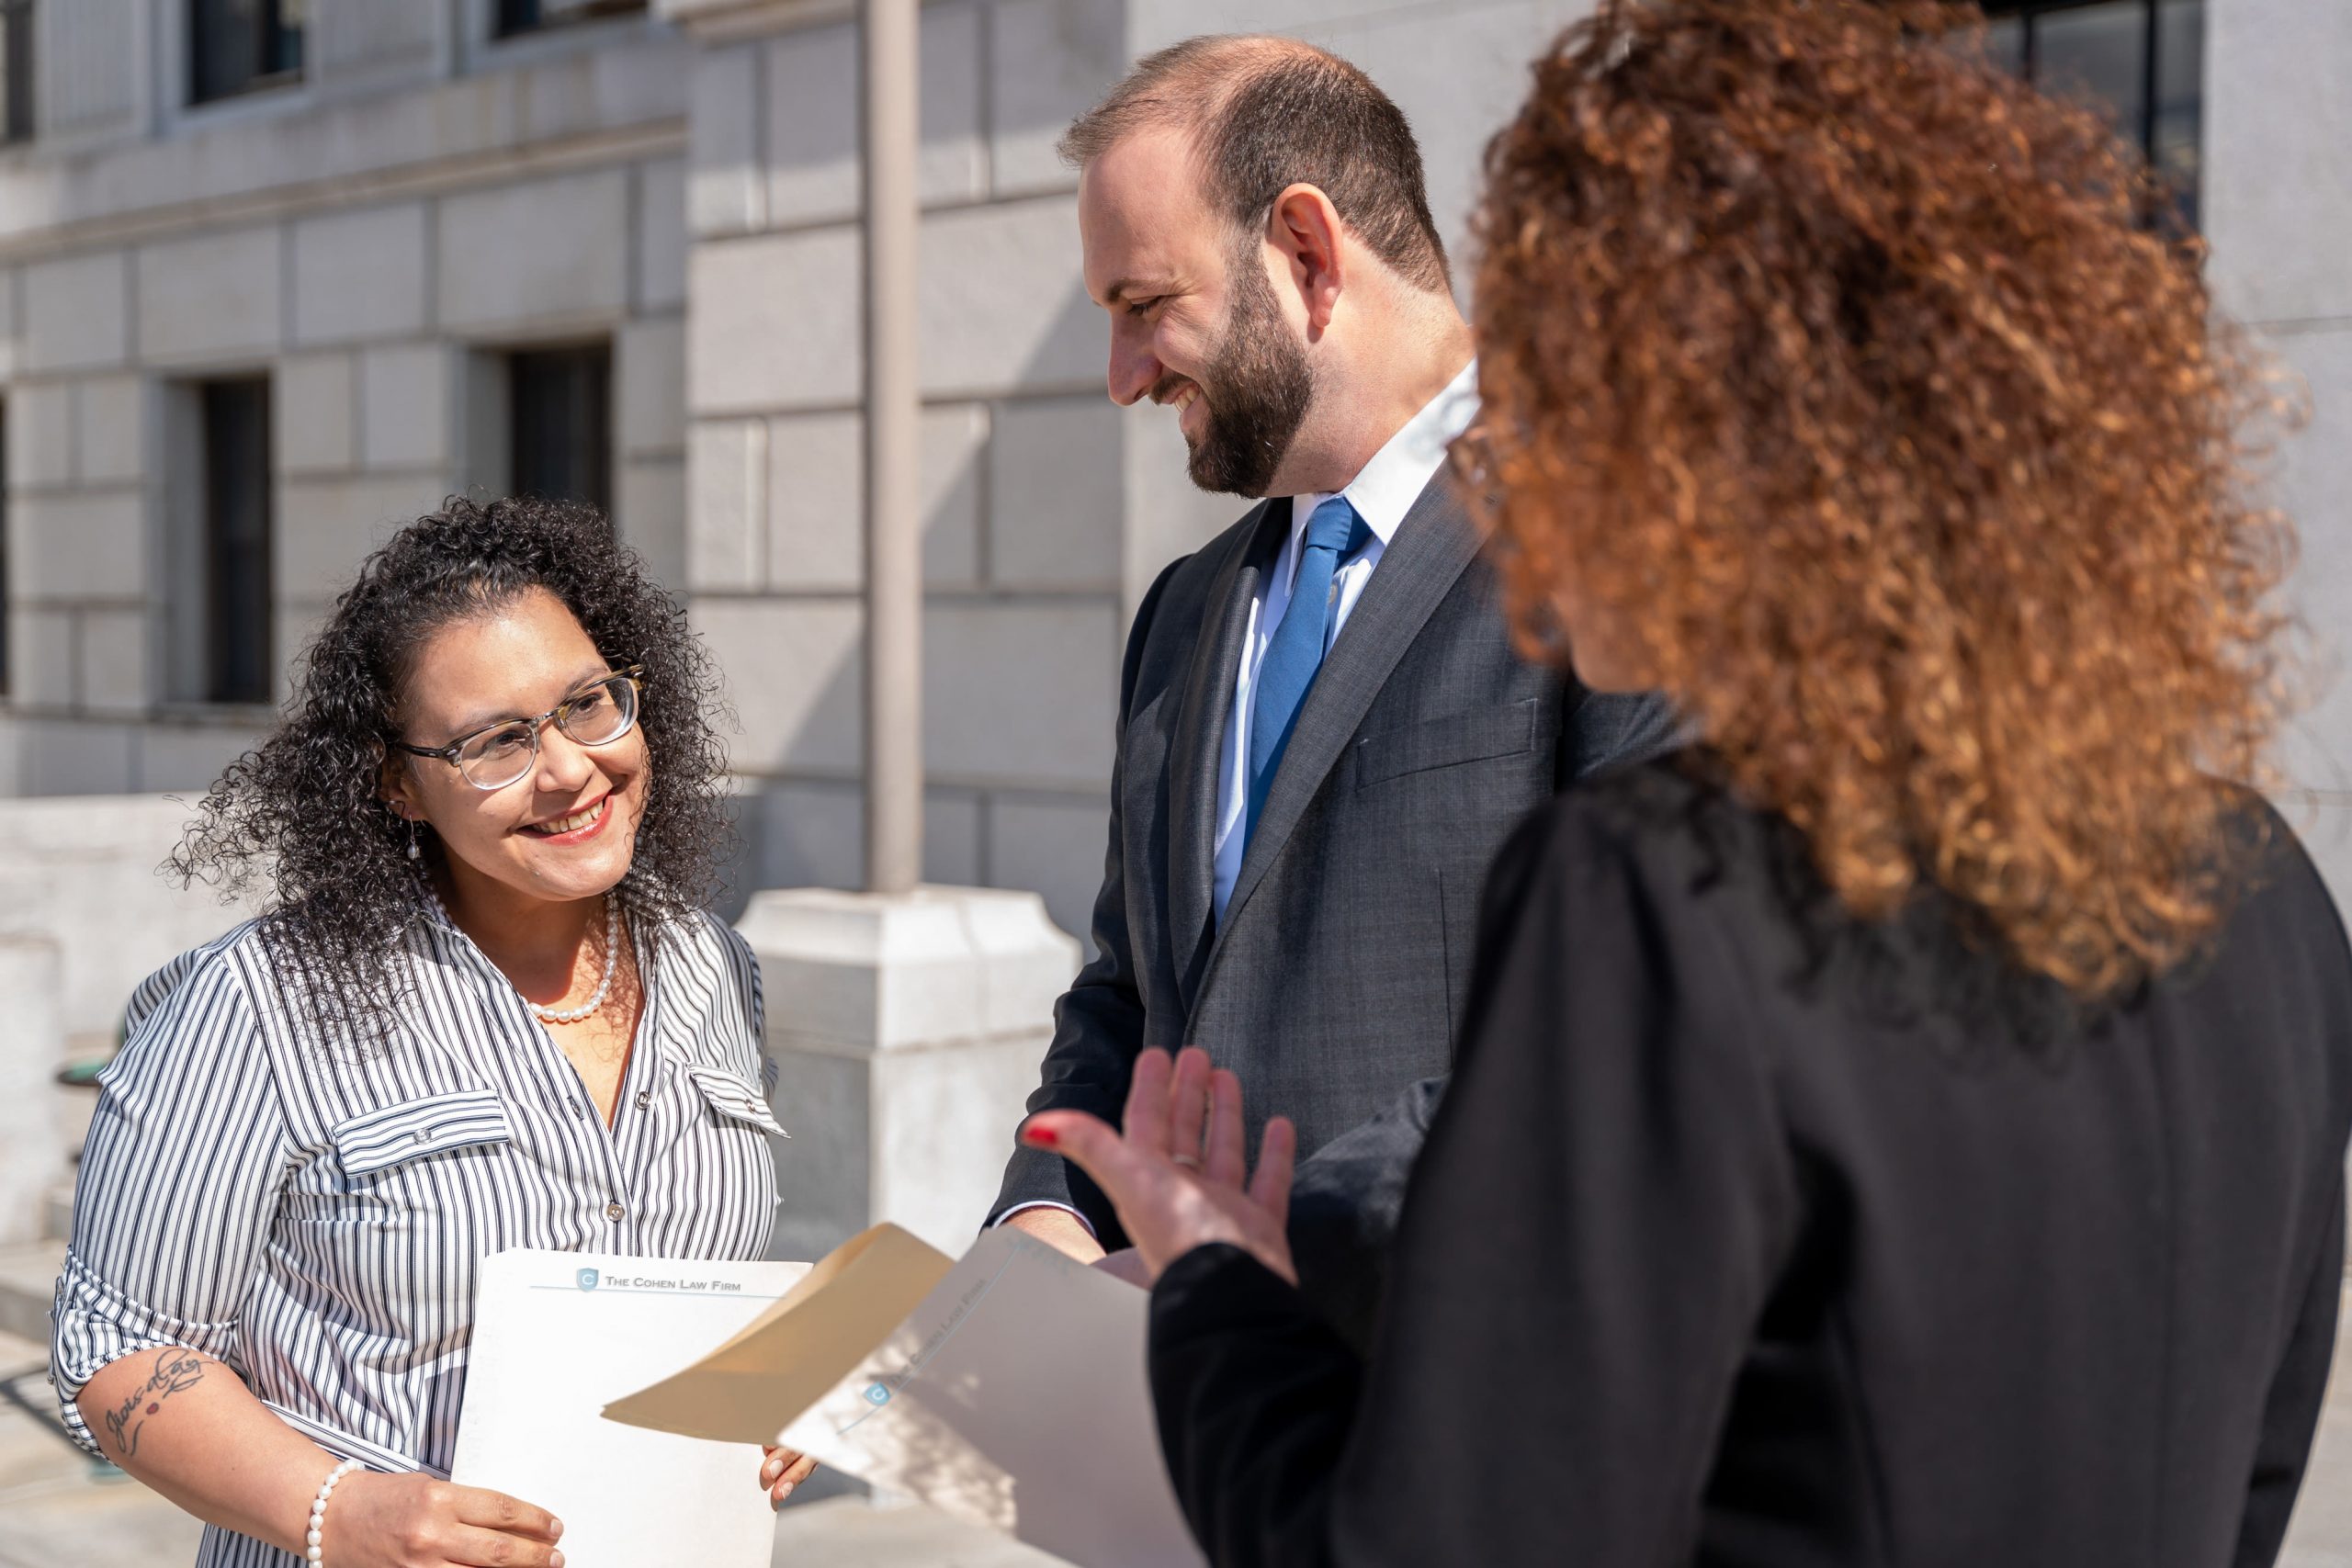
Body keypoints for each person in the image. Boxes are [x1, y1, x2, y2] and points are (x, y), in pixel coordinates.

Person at [1022, 1, 2352, 1562]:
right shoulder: (2265, 893)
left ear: (1701, 435)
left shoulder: (1668, 900)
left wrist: (1222, 1293)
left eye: (1575, 390)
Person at [989, 34, 1676, 1339]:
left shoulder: (1620, 543)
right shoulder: (1185, 615)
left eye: (1144, 305)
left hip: (1471, 1418)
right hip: (1199, 1451)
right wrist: (1050, 1203)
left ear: (1306, 252)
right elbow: (1131, 987)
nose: (1124, 375)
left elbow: (1629, 1028)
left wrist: (1260, 1249)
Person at [49, 496, 817, 1567]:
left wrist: (755, 1410)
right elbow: (118, 1354)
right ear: (399, 786)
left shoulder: (713, 968)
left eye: (588, 704)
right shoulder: (256, 1004)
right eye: (493, 743)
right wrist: (336, 1511)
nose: (567, 769)